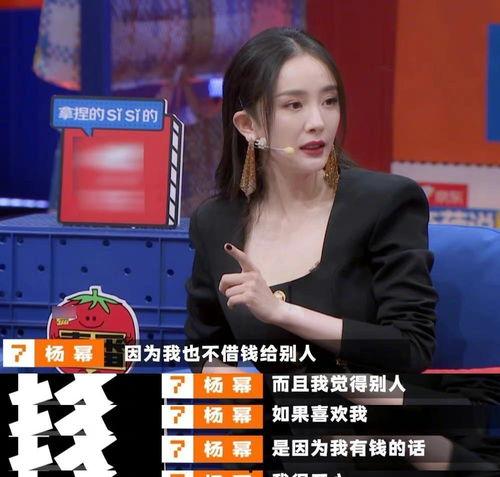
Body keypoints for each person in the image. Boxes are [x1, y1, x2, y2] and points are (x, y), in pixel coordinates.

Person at [184, 26, 437, 375]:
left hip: (368, 406)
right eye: (294, 105)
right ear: (248, 126)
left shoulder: (386, 203)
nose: (318, 122)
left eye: (329, 101)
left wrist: (281, 312)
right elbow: (206, 349)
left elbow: (411, 347)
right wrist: (235, 385)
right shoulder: (215, 222)